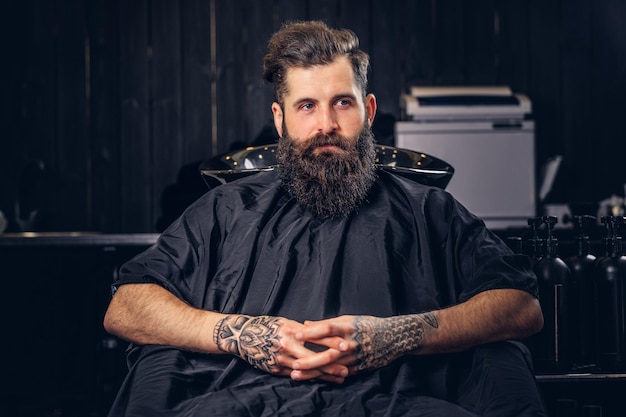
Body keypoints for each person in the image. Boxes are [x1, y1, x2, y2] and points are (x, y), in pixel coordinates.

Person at [103, 20, 547, 417]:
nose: (326, 124)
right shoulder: (226, 209)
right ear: (280, 120)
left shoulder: (430, 210)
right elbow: (126, 308)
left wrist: (395, 335)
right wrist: (241, 333)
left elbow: (520, 307)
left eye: (342, 103)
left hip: (403, 401)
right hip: (240, 400)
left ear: (368, 111)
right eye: (307, 106)